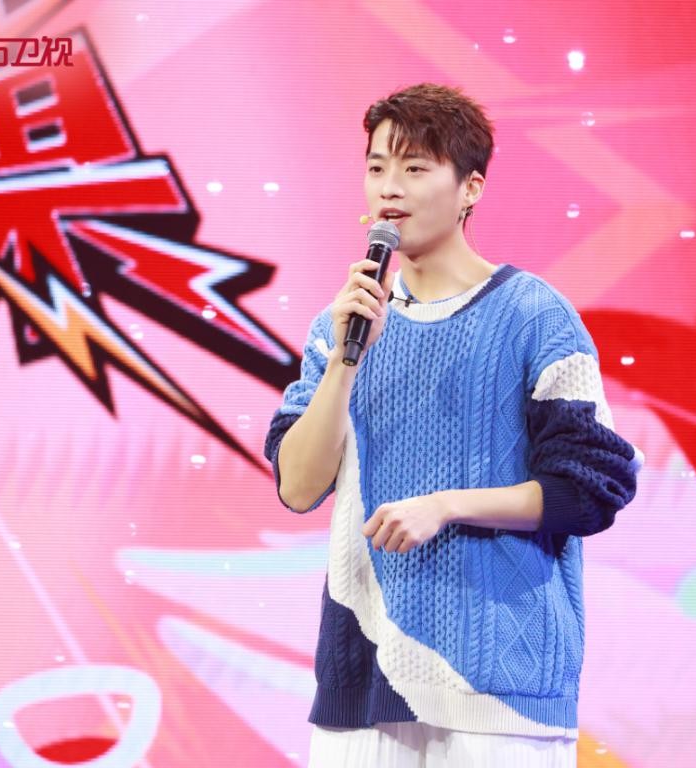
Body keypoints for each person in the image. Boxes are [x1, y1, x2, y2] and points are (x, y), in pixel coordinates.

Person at [263, 83, 642, 767]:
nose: (390, 186)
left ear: (470, 188)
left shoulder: (533, 316)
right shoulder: (340, 325)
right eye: (377, 166)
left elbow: (592, 488)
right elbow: (298, 486)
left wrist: (446, 506)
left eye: (415, 167)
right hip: (364, 679)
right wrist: (347, 361)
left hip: (498, 693)